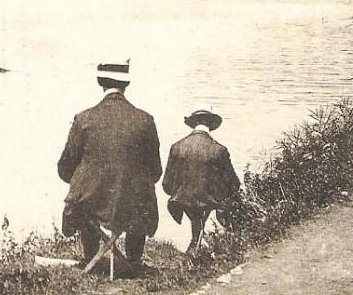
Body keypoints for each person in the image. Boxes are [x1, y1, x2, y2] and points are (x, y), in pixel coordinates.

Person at [57, 61, 162, 270]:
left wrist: (86, 181)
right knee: (142, 196)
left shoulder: (84, 118)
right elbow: (155, 171)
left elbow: (65, 167)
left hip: (91, 200)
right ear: (126, 85)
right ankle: (133, 260)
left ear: (101, 83)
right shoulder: (145, 120)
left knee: (83, 197)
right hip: (134, 201)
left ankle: (90, 258)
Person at [162, 106, 241, 252]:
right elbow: (233, 183)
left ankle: (196, 244)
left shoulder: (176, 147)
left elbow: (166, 184)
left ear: (193, 125)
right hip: (208, 201)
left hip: (181, 200)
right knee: (213, 206)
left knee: (195, 214)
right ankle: (224, 242)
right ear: (211, 125)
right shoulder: (219, 149)